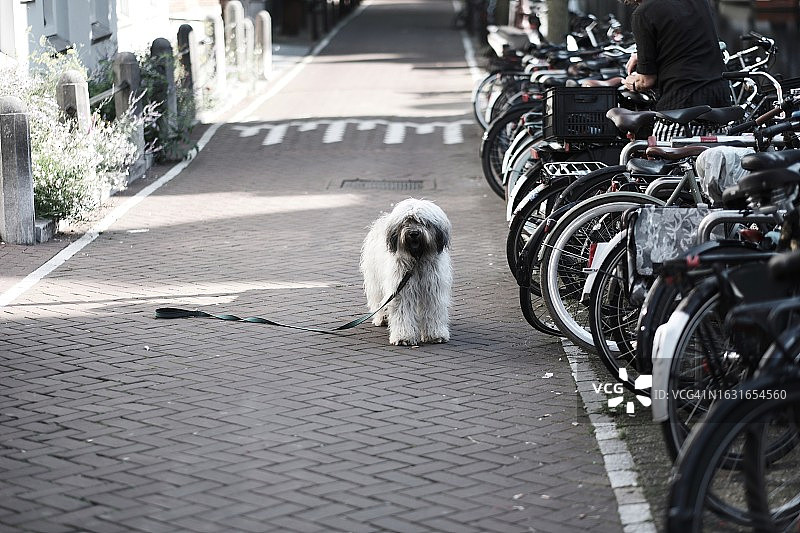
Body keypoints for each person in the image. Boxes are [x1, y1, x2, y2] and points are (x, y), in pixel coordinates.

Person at [621, 0, 732, 112]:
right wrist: (642, 55)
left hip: (683, 101)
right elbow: (683, 37)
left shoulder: (643, 12)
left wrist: (631, 83)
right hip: (720, 94)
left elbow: (646, 81)